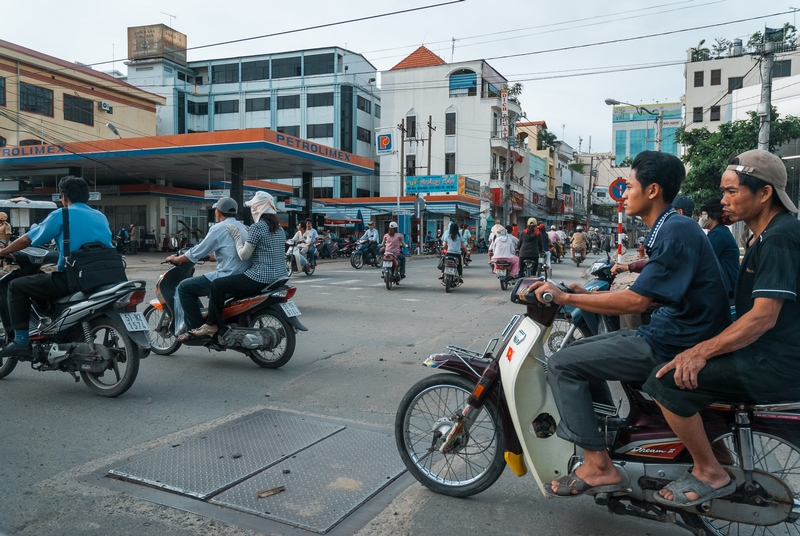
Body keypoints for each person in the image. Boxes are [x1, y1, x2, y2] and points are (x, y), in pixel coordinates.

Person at [525, 151, 730, 498]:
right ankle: (606, 435)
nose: (624, 193)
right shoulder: (669, 227)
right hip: (671, 331)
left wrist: (566, 299)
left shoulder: (676, 229)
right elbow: (646, 287)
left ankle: (599, 466)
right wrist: (580, 292)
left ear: (652, 190)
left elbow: (637, 301)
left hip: (674, 341)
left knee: (561, 364)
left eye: (630, 186)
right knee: (578, 354)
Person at [643, 150, 800, 507]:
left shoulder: (780, 237)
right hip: (765, 352)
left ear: (764, 194)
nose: (723, 200)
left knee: (665, 381)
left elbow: (763, 317)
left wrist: (700, 351)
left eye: (732, 191)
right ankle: (719, 458)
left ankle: (709, 470)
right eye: (723, 191)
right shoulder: (762, 235)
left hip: (774, 363)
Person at [0, 176, 115, 357]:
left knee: (16, 286)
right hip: (106, 277)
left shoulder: (62, 214)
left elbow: (27, 239)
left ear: (63, 196)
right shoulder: (100, 215)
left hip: (74, 280)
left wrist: (4, 251)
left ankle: (21, 341)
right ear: (87, 196)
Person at [187, 191, 288, 339]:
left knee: (217, 285)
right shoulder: (279, 229)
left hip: (259, 277)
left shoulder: (257, 227)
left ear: (256, 209)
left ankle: (211, 325)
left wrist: (236, 238)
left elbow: (243, 255)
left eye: (253, 207)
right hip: (279, 277)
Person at [167, 197, 250, 338]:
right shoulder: (244, 227)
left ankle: (195, 330)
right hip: (241, 276)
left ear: (218, 212)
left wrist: (176, 259)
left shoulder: (218, 228)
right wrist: (209, 257)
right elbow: (231, 251)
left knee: (184, 288)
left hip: (226, 276)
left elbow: (197, 250)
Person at [699, 197, 739, 297]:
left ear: (711, 216)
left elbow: (702, 259)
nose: (701, 218)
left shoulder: (718, 234)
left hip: (727, 288)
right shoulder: (719, 232)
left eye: (703, 215)